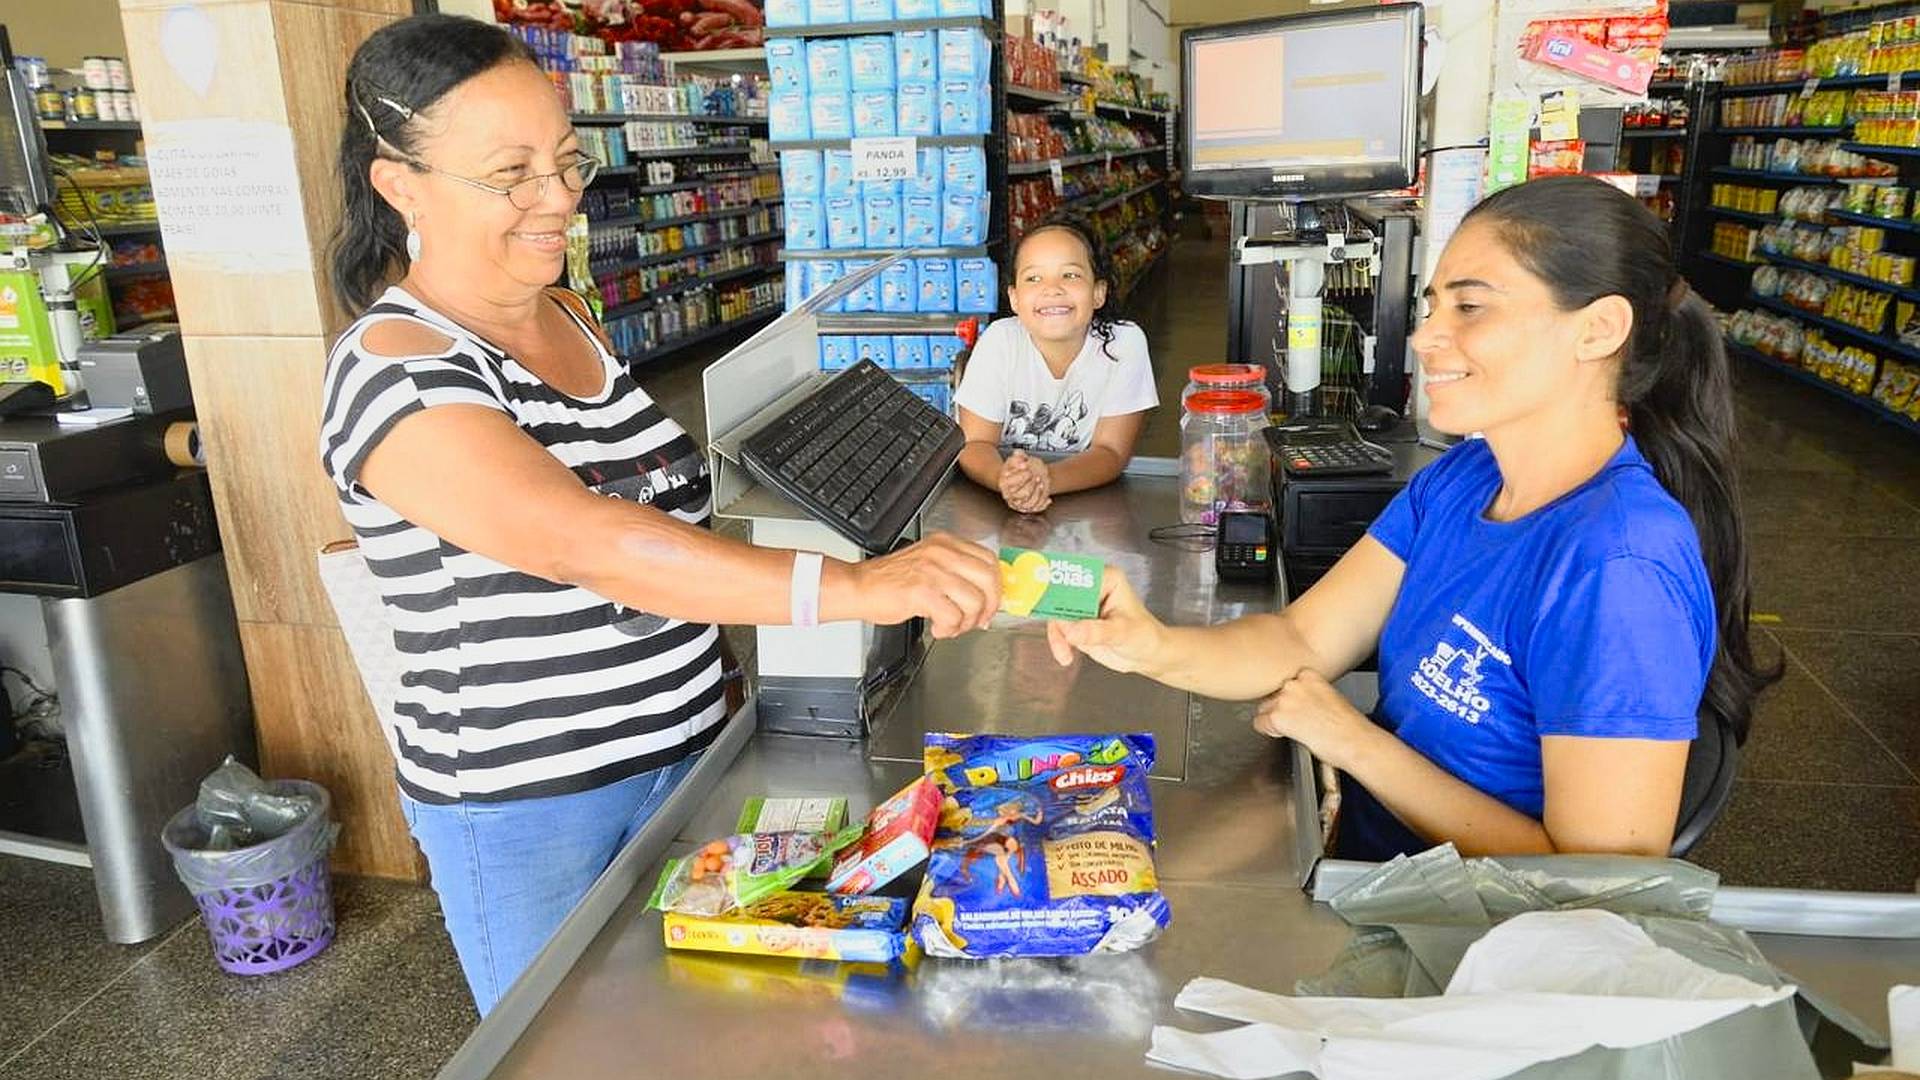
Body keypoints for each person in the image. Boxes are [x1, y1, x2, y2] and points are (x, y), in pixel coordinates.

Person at [317, 15, 999, 1014]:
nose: (557, 200)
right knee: (564, 1044)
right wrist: (852, 585)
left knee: (698, 1027)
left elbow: (652, 516)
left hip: (684, 755)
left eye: (565, 162)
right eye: (512, 174)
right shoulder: (395, 374)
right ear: (400, 183)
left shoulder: (566, 317)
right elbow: (587, 542)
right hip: (534, 805)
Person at [1048, 176, 1778, 860]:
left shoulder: (1619, 566)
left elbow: (1600, 880)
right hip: (1374, 877)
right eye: (1432, 306)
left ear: (1598, 330)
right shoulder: (1466, 478)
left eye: (1469, 306)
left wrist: (1353, 741)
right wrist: (1150, 645)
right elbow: (1300, 637)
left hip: (1465, 949)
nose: (1426, 337)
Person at [953, 215, 1158, 514]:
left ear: (1098, 292)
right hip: (997, 498)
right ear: (1014, 298)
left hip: (1084, 504)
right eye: (1034, 278)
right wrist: (1004, 480)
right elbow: (974, 444)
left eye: (1070, 275)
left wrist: (1045, 479)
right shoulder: (1000, 341)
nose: (1052, 289)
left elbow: (1111, 453)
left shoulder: (1123, 344)